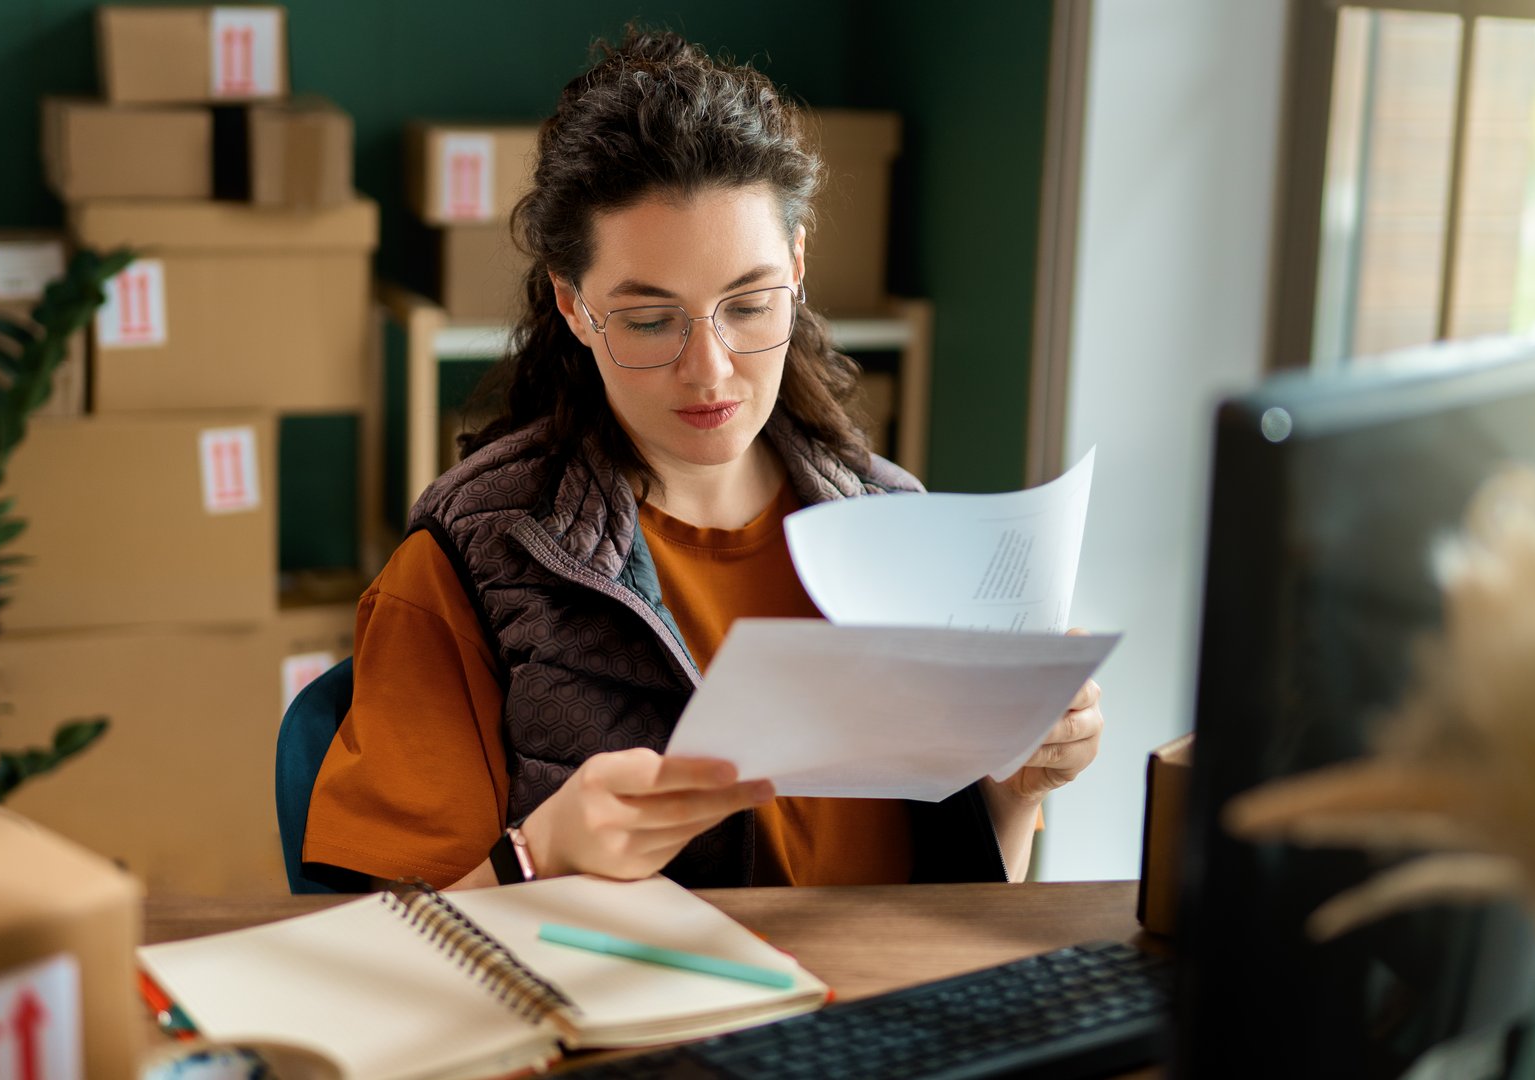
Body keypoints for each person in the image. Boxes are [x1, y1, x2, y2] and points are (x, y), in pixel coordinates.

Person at [302, 28, 1104, 892]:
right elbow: (386, 953)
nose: (710, 369)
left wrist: (1013, 792)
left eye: (750, 305)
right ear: (574, 306)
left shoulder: (897, 524)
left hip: (873, 1017)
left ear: (797, 268)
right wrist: (539, 854)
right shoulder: (468, 563)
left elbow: (948, 923)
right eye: (650, 321)